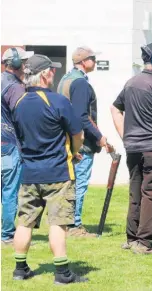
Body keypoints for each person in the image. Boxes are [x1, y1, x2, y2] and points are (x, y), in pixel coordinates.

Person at [12, 54, 87, 284]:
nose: (54, 73)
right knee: (58, 223)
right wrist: (75, 152)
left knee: (24, 221)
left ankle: (20, 268)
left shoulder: (19, 103)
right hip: (57, 173)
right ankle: (62, 273)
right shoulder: (58, 101)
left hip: (29, 173)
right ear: (44, 74)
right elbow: (78, 134)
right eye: (52, 70)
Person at [110, 42, 152, 254]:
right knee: (151, 193)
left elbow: (115, 108)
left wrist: (125, 135)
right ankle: (144, 242)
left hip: (133, 148)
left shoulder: (130, 83)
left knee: (135, 191)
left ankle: (131, 237)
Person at [57, 46, 112, 237]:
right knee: (79, 183)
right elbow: (82, 116)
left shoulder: (66, 78)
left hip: (66, 140)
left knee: (70, 183)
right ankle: (75, 225)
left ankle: (67, 223)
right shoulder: (80, 83)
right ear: (83, 62)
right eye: (93, 58)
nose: (95, 62)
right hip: (80, 142)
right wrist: (99, 137)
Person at [1, 47, 34, 245]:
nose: (26, 65)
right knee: (10, 191)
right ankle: (7, 235)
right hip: (9, 144)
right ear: (14, 64)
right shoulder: (14, 87)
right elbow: (23, 116)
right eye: (23, 61)